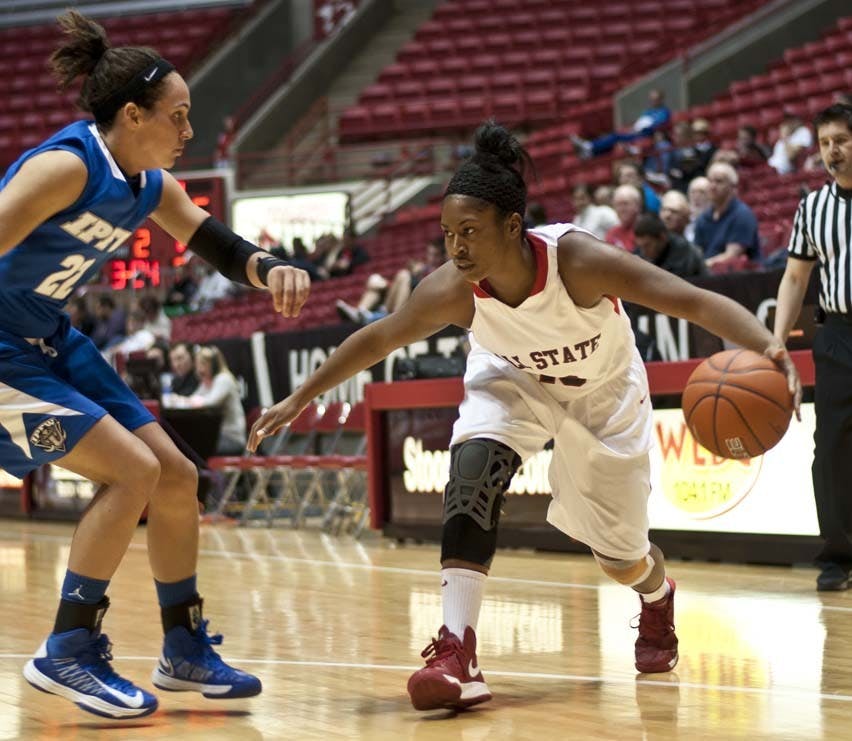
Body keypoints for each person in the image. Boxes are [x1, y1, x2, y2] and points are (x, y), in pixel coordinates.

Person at [247, 121, 801, 712]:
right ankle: (457, 650)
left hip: (605, 395)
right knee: (471, 470)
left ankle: (657, 596)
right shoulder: (453, 289)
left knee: (622, 559)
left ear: (513, 227)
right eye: (446, 234)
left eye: (469, 233)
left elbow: (691, 300)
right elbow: (378, 338)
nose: (455, 248)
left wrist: (772, 349)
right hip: (512, 378)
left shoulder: (579, 261)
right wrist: (300, 397)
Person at [0, 12, 310, 719]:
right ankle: (67, 649)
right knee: (131, 471)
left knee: (174, 474)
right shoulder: (66, 167)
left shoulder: (146, 183)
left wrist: (272, 268)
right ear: (132, 115)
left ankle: (184, 648)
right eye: (178, 116)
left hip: (48, 335)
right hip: (1, 348)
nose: (188, 131)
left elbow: (218, 244)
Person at [773, 103, 852, 591]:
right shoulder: (813, 207)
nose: (832, 151)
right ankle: (838, 557)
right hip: (838, 334)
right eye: (824, 143)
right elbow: (795, 276)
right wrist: (776, 342)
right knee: (831, 451)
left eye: (841, 140)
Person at [693, 162, 760, 268]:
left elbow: (731, 256)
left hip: (738, 277)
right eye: (710, 181)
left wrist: (702, 266)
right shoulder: (703, 218)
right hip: (708, 275)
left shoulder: (742, 214)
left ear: (732, 187)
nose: (713, 186)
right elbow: (698, 253)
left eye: (719, 181)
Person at [571, 89, 671, 158]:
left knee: (615, 137)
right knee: (614, 141)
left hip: (646, 136)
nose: (653, 101)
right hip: (637, 133)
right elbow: (640, 123)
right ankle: (591, 152)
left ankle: (589, 146)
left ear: (661, 99)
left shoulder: (664, 112)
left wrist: (641, 128)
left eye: (655, 99)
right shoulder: (648, 111)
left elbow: (655, 125)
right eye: (652, 99)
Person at [183, 346, 246, 455]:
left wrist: (193, 400)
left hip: (232, 438)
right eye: (197, 365)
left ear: (214, 365)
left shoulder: (224, 379)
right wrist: (179, 399)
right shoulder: (207, 381)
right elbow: (192, 399)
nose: (199, 369)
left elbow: (209, 403)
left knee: (194, 447)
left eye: (203, 364)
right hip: (218, 435)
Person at [633, 213, 708, 279]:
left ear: (662, 238)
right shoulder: (639, 253)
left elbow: (672, 285)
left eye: (647, 245)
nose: (643, 252)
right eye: (640, 246)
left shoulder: (684, 252)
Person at [605, 184, 643, 252]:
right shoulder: (612, 233)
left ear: (638, 205)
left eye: (625, 204)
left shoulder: (646, 231)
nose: (622, 209)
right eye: (618, 204)